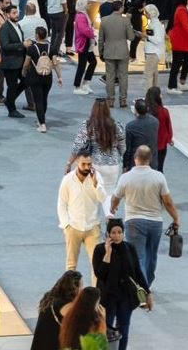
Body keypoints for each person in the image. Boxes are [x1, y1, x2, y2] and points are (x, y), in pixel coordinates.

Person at [110, 145, 181, 287]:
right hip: (155, 222)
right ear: (150, 159)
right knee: (151, 256)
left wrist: (113, 207)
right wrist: (176, 218)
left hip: (133, 222)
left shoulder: (125, 177)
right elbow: (167, 201)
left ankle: (142, 288)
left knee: (138, 257)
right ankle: (147, 284)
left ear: (135, 158)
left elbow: (115, 197)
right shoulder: (159, 177)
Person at [93, 217, 153, 350]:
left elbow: (137, 272)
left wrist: (148, 293)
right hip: (108, 298)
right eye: (113, 232)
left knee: (123, 331)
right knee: (106, 330)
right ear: (108, 234)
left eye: (120, 232)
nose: (117, 235)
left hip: (126, 297)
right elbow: (100, 274)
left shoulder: (130, 248)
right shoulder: (99, 249)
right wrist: (107, 254)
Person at [68, 99, 126, 212]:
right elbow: (123, 147)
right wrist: (120, 160)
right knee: (109, 195)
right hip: (113, 166)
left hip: (93, 165)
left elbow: (77, 147)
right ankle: (110, 218)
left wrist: (69, 163)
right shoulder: (117, 126)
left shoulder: (87, 126)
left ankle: (93, 221)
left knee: (92, 196)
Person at [58, 148, 105, 274]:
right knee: (71, 266)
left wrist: (96, 184)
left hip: (92, 227)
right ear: (77, 162)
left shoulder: (97, 177)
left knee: (97, 265)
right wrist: (66, 225)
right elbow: (62, 204)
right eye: (83, 164)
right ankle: (70, 288)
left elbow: (102, 198)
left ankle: (96, 288)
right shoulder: (67, 180)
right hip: (73, 227)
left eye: (89, 164)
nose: (86, 167)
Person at [30, 270, 83, 350]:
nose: (82, 289)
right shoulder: (67, 305)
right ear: (74, 287)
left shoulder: (49, 297)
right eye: (81, 285)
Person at [99, 1, 137, 108]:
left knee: (110, 76)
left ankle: (110, 100)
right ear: (121, 8)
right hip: (123, 52)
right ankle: (123, 100)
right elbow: (131, 37)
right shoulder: (126, 20)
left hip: (109, 52)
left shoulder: (104, 20)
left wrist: (101, 52)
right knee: (123, 76)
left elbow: (101, 39)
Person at [24, 26, 60, 132]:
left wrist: (23, 71)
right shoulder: (52, 48)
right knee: (44, 98)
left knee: (38, 100)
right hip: (48, 77)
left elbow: (26, 63)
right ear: (46, 35)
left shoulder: (32, 48)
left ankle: (42, 124)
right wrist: (60, 76)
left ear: (36, 35)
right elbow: (55, 63)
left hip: (35, 77)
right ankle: (41, 119)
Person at [58, 286, 108, 350]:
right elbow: (102, 344)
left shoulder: (70, 316)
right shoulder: (96, 322)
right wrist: (103, 318)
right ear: (96, 303)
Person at [168, 0, 188, 94]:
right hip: (179, 40)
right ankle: (171, 86)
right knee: (177, 63)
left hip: (182, 40)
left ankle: (182, 82)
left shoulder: (182, 9)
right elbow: (185, 25)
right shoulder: (181, 10)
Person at [145, 88, 174, 172]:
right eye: (160, 94)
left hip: (148, 145)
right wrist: (169, 139)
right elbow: (168, 127)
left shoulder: (145, 112)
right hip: (161, 144)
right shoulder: (164, 111)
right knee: (160, 168)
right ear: (158, 97)